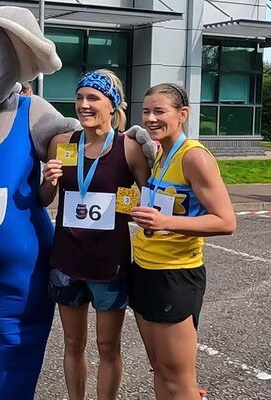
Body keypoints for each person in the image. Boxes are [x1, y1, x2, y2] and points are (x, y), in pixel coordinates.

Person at [40, 69, 150, 400]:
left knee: (107, 345)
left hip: (109, 263)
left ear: (112, 104)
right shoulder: (61, 143)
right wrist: (48, 180)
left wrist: (138, 207)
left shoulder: (129, 148)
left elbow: (149, 198)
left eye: (93, 98)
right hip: (66, 260)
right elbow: (45, 199)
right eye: (79, 98)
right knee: (73, 342)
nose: (84, 105)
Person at [129, 83, 236, 399]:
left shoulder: (194, 157)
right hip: (144, 270)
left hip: (175, 276)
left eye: (159, 111)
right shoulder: (160, 153)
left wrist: (166, 222)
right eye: (146, 111)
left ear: (182, 114)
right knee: (159, 368)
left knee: (179, 380)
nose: (150, 118)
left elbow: (226, 220)